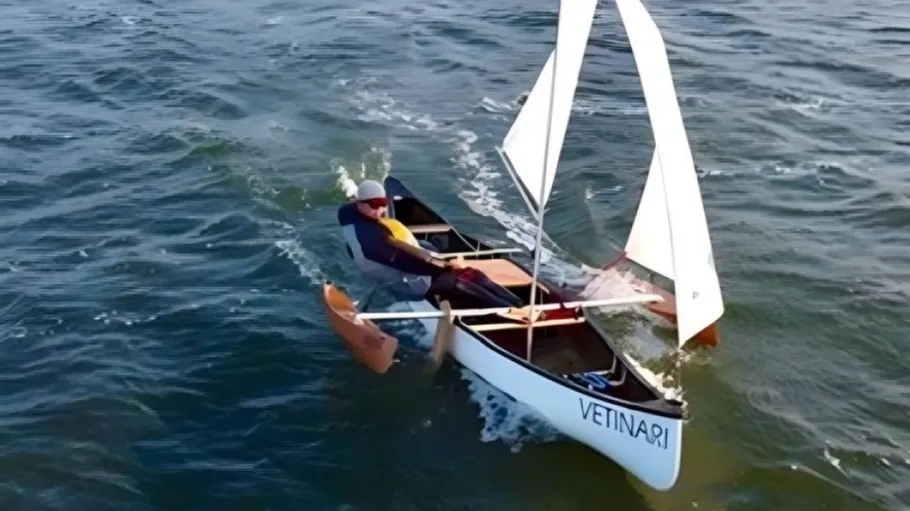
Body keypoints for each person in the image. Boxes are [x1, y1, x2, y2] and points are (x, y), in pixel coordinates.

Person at [338, 180, 523, 308]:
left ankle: (519, 302)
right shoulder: (374, 241)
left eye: (383, 203)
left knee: (473, 274)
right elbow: (412, 264)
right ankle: (508, 309)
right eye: (374, 204)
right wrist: (449, 267)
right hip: (402, 279)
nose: (380, 209)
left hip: (396, 258)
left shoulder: (348, 212)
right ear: (361, 205)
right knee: (458, 282)